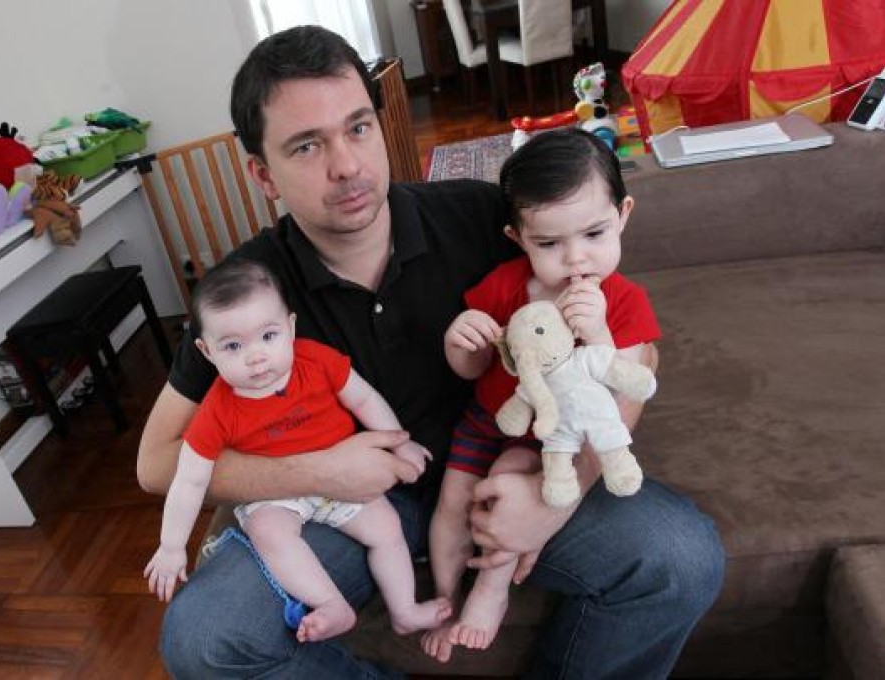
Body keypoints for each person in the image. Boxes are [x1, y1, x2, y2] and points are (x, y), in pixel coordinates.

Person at [138, 25, 724, 679]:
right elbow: (156, 463)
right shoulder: (244, 291)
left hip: (503, 467)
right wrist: (320, 472)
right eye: (307, 146)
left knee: (681, 555)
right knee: (203, 640)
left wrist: (557, 496)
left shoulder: (480, 217)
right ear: (262, 174)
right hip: (345, 510)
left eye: (358, 128)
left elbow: (635, 357)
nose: (348, 165)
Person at [422, 128, 660, 659]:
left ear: (622, 214)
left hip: (555, 439)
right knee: (452, 502)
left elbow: (624, 382)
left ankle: (490, 592)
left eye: (595, 234)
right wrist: (460, 341)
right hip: (486, 418)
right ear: (517, 237)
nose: (576, 259)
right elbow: (471, 368)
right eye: (549, 244)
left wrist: (597, 332)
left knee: (506, 477)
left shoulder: (623, 302)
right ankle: (442, 601)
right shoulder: (508, 283)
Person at [143, 257, 451, 643]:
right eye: (233, 345)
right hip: (275, 494)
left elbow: (364, 400)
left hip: (343, 476)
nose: (256, 357)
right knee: (266, 531)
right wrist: (172, 547)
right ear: (207, 352)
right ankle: (329, 604)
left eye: (268, 336)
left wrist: (399, 443)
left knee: (386, 527)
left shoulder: (315, 359)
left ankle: (404, 609)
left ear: (289, 327)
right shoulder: (216, 410)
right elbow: (188, 481)